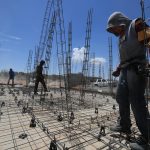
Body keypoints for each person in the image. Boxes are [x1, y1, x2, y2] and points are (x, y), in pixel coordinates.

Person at [106, 12, 150, 150]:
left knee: (136, 101)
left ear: (120, 23)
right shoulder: (121, 37)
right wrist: (118, 69)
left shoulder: (136, 25)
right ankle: (124, 125)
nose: (113, 32)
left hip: (137, 68)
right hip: (125, 70)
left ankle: (147, 138)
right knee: (120, 96)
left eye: (114, 28)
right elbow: (125, 57)